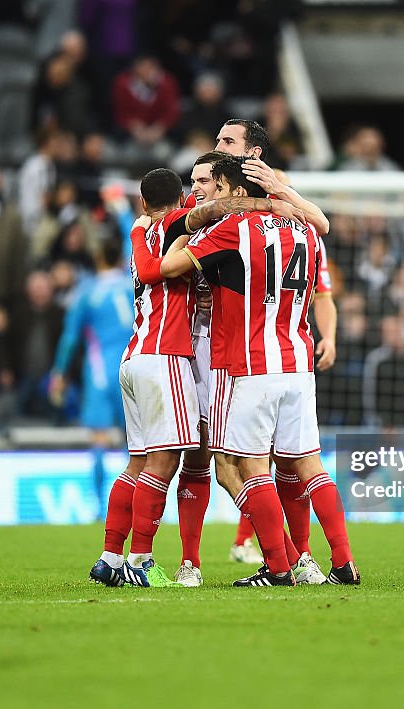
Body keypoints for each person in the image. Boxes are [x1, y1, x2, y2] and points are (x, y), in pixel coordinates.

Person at [133, 157, 359, 586]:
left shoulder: (230, 229)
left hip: (246, 364)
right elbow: (315, 272)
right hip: (296, 360)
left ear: (234, 189)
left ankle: (279, 565)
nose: (205, 190)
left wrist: (145, 235)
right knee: (309, 466)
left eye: (212, 182)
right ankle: (342, 562)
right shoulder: (307, 231)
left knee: (244, 467)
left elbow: (161, 271)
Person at [93, 164, 304, 588]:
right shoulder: (174, 224)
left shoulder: (141, 233)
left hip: (134, 355)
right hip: (167, 355)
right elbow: (206, 215)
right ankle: (142, 561)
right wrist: (271, 202)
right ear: (181, 200)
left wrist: (135, 230)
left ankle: (110, 558)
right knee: (167, 460)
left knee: (138, 462)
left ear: (141, 202)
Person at [49, 237, 133, 518]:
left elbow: (70, 337)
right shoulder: (132, 284)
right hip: (133, 368)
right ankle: (132, 506)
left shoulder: (86, 292)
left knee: (98, 438)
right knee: (132, 442)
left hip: (99, 372)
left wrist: (59, 373)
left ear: (98, 258)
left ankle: (100, 508)